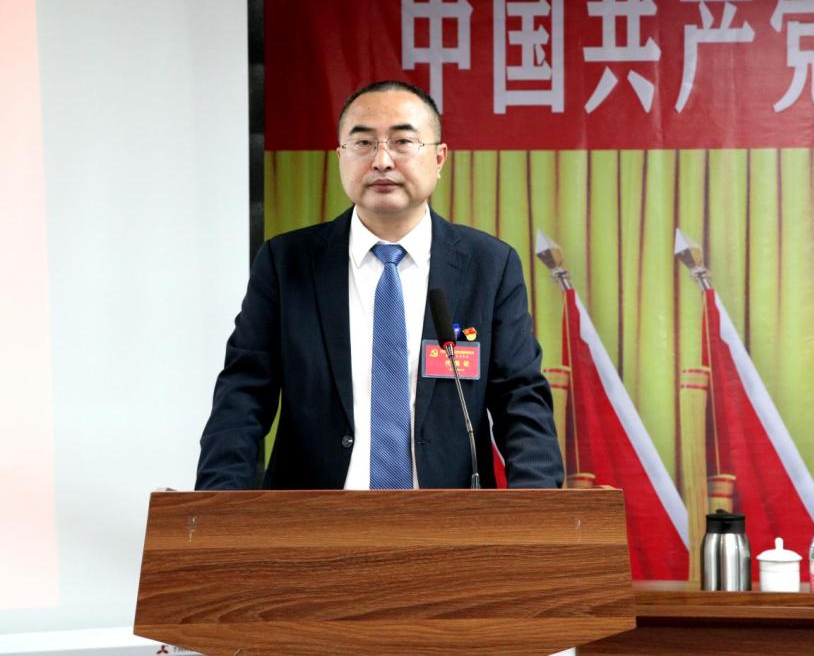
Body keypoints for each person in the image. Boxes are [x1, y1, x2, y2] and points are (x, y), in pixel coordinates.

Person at [196, 80, 564, 490]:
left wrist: (538, 507)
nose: (382, 161)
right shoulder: (287, 263)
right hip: (311, 516)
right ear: (341, 157)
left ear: (439, 158)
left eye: (403, 142)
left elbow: (520, 399)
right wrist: (216, 505)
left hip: (449, 517)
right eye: (363, 143)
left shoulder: (488, 266)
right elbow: (243, 395)